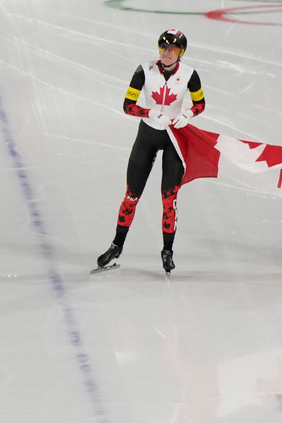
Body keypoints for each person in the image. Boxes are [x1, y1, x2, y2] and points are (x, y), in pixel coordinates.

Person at [97, 29, 205, 274]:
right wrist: (149, 113)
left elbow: (200, 103)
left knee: (169, 199)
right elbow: (127, 105)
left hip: (173, 138)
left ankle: (167, 251)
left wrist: (188, 113)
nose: (167, 53)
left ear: (180, 53)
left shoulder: (189, 74)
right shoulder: (143, 70)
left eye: (173, 49)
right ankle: (116, 246)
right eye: (163, 48)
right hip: (147, 135)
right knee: (131, 196)